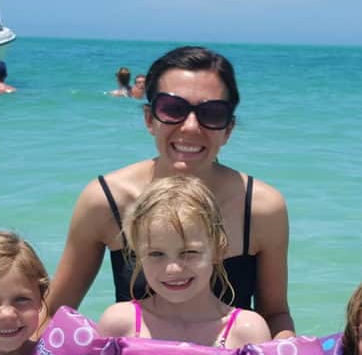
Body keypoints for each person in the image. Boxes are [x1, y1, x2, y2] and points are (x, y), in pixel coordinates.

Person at [47, 45, 295, 338]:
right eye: (173, 109)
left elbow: (275, 313)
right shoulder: (107, 199)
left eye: (212, 113)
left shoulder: (261, 207)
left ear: (228, 129)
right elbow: (54, 313)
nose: (190, 127)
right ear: (150, 119)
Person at [95, 176, 271, 350]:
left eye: (189, 252)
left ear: (218, 250)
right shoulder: (120, 324)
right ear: (138, 254)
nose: (173, 268)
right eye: (156, 254)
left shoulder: (245, 332)